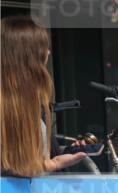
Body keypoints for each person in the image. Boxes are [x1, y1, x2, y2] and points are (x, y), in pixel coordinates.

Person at [1, 16, 85, 177]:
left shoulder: (23, 105)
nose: (48, 52)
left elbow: (17, 166)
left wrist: (54, 163)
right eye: (43, 47)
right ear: (27, 55)